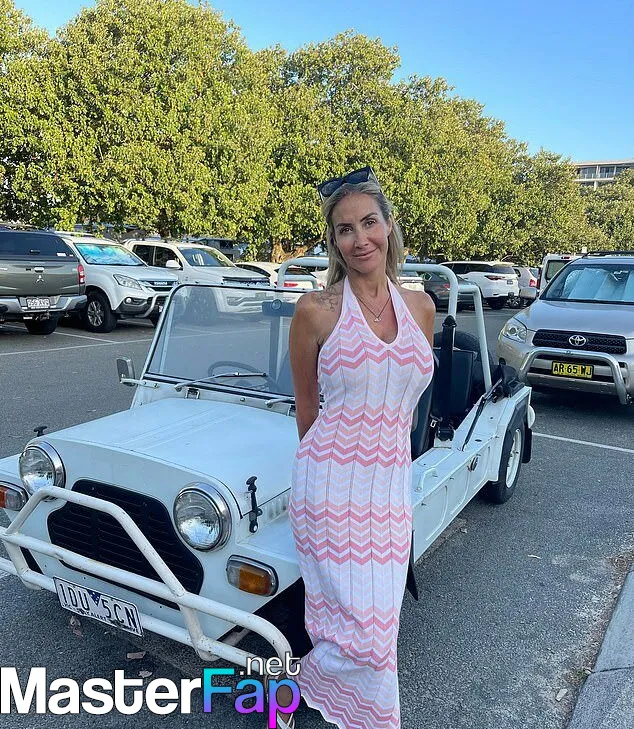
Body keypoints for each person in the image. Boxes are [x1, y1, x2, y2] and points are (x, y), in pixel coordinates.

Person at [283, 167, 435, 729]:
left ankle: (312, 689)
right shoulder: (315, 311)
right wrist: (328, 475)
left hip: (389, 491)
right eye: (344, 229)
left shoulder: (421, 308)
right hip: (330, 492)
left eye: (369, 222)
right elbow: (306, 410)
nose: (359, 239)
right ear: (334, 241)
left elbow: (409, 399)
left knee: (378, 626)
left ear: (389, 226)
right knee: (356, 630)